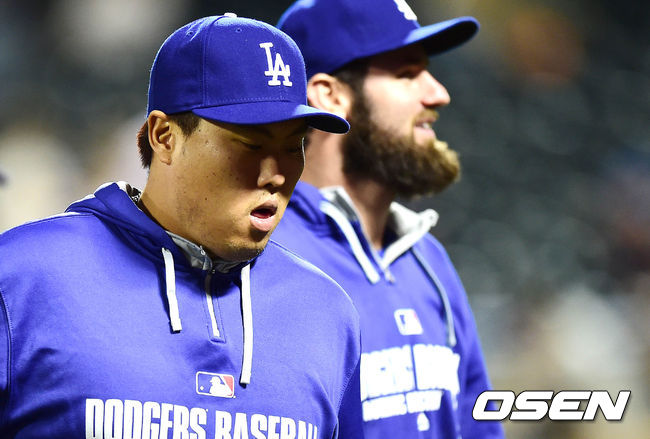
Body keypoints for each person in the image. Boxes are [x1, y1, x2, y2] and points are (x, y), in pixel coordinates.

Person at [0, 14, 364, 438]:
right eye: (252, 144)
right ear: (164, 136)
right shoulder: (23, 279)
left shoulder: (327, 312)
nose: (276, 174)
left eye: (293, 145)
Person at [272, 1, 505, 438]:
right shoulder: (263, 258)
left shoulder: (429, 260)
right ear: (330, 96)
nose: (438, 93)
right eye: (406, 74)